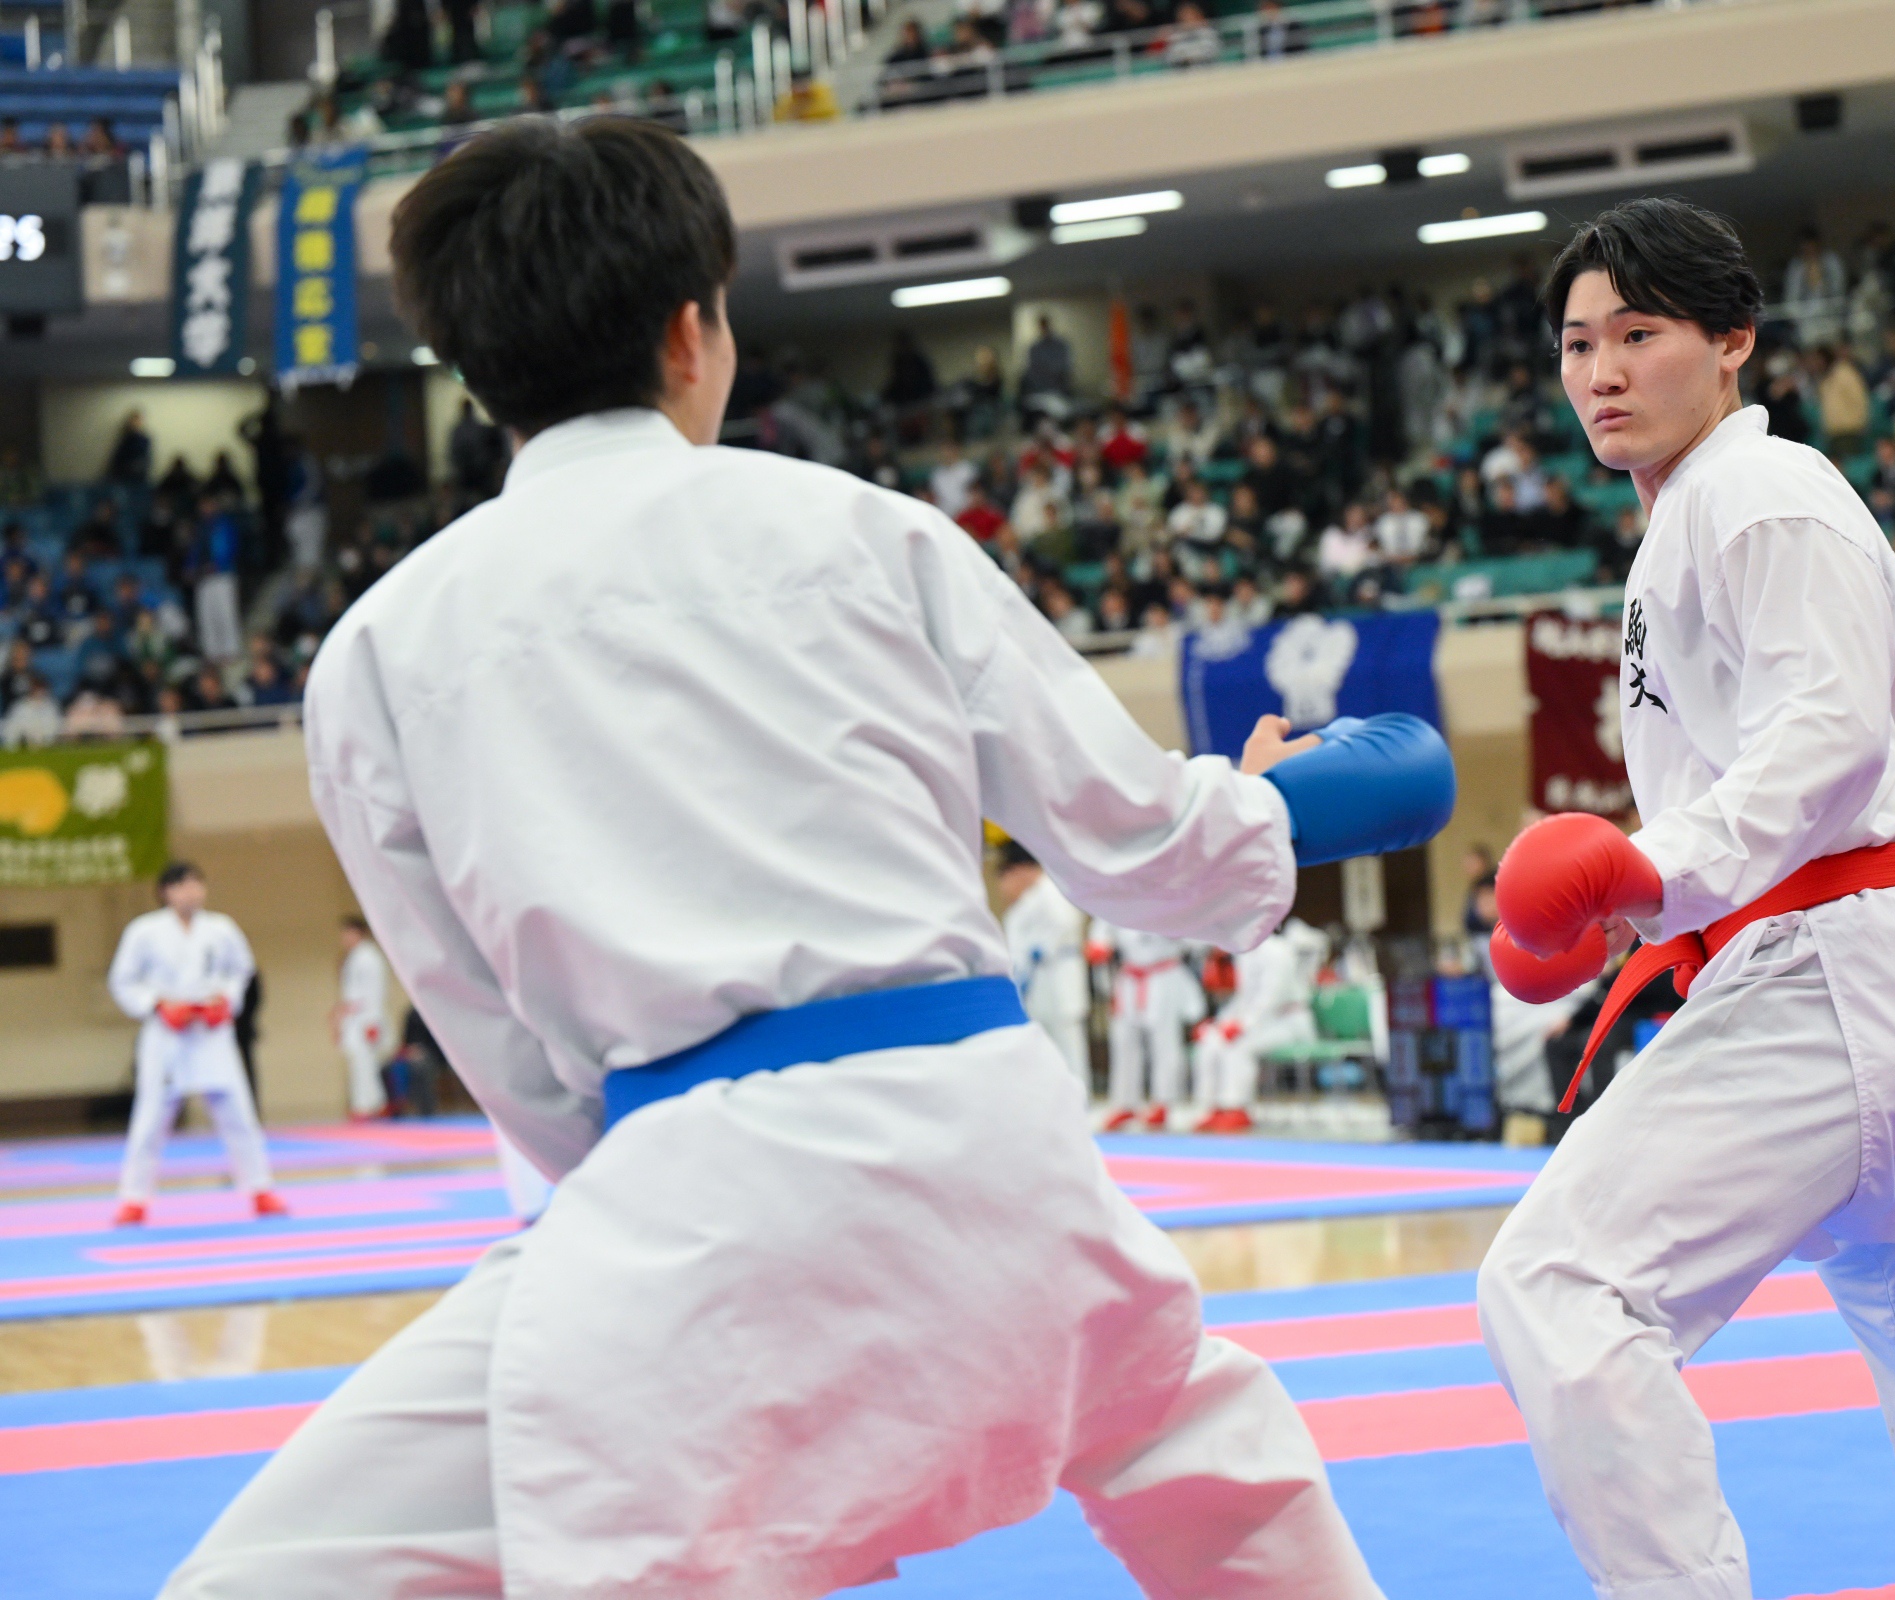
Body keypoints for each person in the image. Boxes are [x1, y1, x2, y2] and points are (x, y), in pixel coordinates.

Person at [163, 117, 1446, 1599]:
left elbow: (502, 1047)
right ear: (691, 330)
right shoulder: (867, 531)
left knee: (290, 1569)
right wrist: (1271, 809)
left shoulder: (376, 654)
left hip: (678, 1205)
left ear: (471, 378)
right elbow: (1144, 843)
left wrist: (678, 1203)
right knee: (1205, 1448)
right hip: (996, 1157)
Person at [1474, 198, 1895, 1600]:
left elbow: (1826, 737)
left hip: (1842, 961)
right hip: (1855, 957)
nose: (1601, 372)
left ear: (1734, 342)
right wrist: (1630, 916)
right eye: (1578, 344)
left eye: (1638, 334)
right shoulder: (1691, 520)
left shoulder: (1756, 490)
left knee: (1562, 1281)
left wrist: (1653, 871)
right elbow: (1762, 770)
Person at [106, 862, 286, 1226]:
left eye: (196, 885)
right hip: (167, 1035)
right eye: (183, 886)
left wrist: (227, 1001)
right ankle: (134, 1199)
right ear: (166, 892)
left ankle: (260, 1189)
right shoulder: (144, 931)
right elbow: (122, 980)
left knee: (239, 1114)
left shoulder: (221, 928)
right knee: (150, 1119)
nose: (192, 892)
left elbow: (242, 972)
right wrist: (157, 1005)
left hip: (211, 1033)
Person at [1191, 916, 1320, 1132]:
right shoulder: (1245, 953)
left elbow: (1271, 998)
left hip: (1288, 1022)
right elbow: (1245, 998)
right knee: (1210, 1043)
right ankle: (1213, 1108)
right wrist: (1218, 1024)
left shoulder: (1277, 951)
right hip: (1261, 1024)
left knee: (1239, 1046)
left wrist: (1243, 1025)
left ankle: (1237, 1108)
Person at [1087, 919, 1203, 1130]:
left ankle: (1164, 1102)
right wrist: (1099, 942)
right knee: (1123, 1042)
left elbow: (1199, 940)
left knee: (1165, 1043)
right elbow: (1103, 921)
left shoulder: (1173, 900)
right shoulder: (1119, 901)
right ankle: (1125, 1103)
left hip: (1164, 975)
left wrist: (1177, 930)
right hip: (1129, 977)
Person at [995, 840, 1092, 1088]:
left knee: (1067, 1044)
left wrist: (1042, 947)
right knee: (1045, 1043)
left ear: (1020, 870)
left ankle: (1079, 1097)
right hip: (1038, 980)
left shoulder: (1051, 888)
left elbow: (1065, 922)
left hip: (1056, 974)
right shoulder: (1029, 898)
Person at [332, 915, 394, 1119]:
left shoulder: (369, 957)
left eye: (347, 933)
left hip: (366, 1017)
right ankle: (368, 1104)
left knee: (365, 1063)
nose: (344, 938)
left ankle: (369, 1106)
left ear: (358, 933)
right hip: (355, 1017)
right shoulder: (355, 957)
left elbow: (374, 993)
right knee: (359, 1063)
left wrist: (372, 1022)